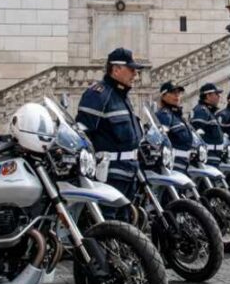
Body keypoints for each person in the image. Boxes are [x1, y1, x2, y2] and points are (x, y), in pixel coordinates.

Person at [75, 48, 145, 203]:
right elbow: (82, 134)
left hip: (130, 172)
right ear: (116, 69)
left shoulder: (122, 96)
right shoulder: (98, 94)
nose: (135, 74)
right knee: (109, 217)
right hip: (110, 176)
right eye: (131, 69)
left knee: (128, 217)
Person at [155, 82, 193, 171]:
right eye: (173, 92)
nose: (177, 95)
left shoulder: (177, 116)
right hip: (173, 165)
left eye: (178, 93)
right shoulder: (164, 115)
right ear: (163, 96)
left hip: (184, 164)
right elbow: (160, 140)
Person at [191, 83, 225, 164]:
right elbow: (197, 135)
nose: (219, 96)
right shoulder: (201, 111)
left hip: (215, 155)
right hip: (208, 156)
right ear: (208, 96)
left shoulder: (209, 111)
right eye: (216, 94)